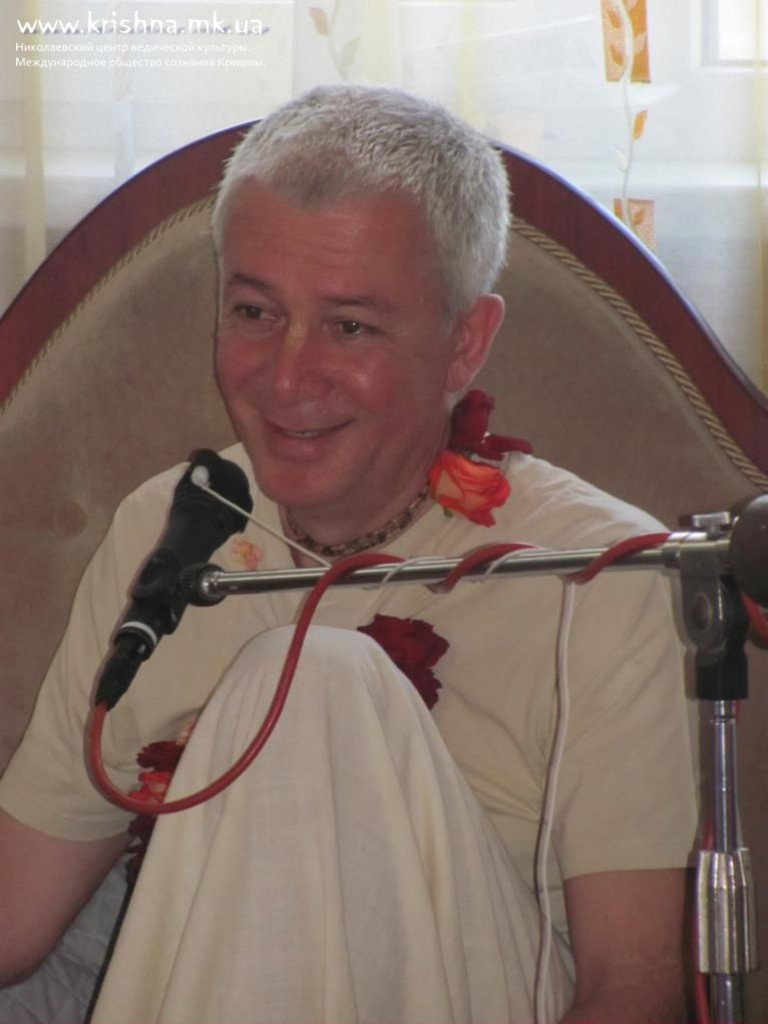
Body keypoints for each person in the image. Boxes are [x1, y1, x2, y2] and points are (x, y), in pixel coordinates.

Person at [0, 84, 697, 1022]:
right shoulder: (170, 530)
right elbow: (16, 914)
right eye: (254, 312)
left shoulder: (602, 574)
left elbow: (633, 989)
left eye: (351, 326)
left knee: (317, 678)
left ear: (464, 345)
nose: (288, 377)